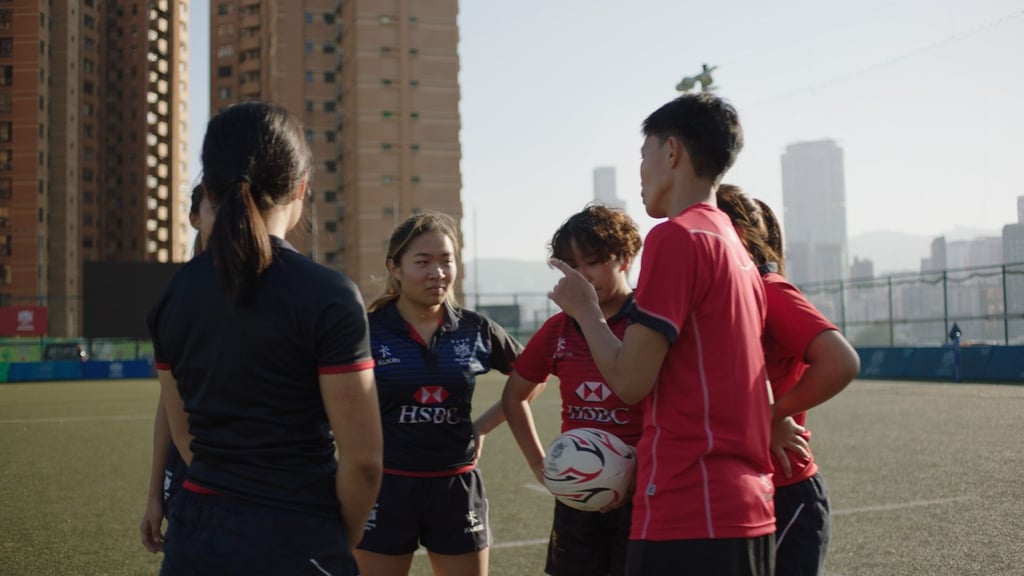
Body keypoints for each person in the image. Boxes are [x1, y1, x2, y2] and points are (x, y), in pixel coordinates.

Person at [148, 101, 382, 575]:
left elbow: (184, 434)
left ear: (209, 190)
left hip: (196, 537)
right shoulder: (328, 294)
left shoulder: (175, 294)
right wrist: (338, 537)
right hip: (299, 534)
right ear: (301, 188)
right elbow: (363, 463)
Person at [547, 93, 775, 576]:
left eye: (644, 155)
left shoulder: (676, 237)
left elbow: (630, 381)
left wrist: (586, 310)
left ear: (671, 152)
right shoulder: (735, 247)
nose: (642, 171)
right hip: (746, 507)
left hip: (690, 504)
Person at [354, 210, 523, 576]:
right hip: (386, 485)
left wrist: (482, 426)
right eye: (422, 262)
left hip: (456, 485)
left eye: (446, 261)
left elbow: (530, 376)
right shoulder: (367, 331)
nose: (437, 272)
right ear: (395, 268)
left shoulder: (476, 329)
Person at [717, 185, 860, 576]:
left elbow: (841, 361)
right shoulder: (719, 299)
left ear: (736, 236)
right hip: (734, 491)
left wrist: (772, 414)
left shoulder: (771, 291)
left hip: (784, 492)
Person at [501, 204, 643, 576]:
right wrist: (540, 465)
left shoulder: (648, 321)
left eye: (593, 262)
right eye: (571, 267)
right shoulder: (557, 330)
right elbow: (514, 396)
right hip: (578, 494)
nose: (583, 276)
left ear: (625, 259)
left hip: (644, 493)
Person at [139, 184, 215, 554]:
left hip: (257, 483)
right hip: (192, 477)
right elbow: (168, 407)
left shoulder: (274, 292)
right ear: (195, 218)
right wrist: (154, 494)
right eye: (215, 209)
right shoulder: (179, 298)